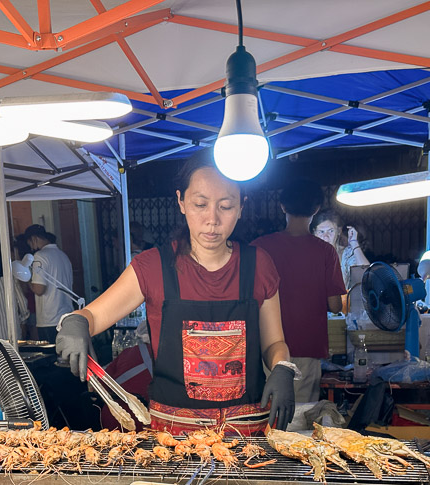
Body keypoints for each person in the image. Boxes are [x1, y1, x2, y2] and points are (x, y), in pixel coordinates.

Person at [55, 150, 297, 432]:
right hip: (173, 438)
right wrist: (76, 322)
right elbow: (92, 316)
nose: (212, 220)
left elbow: (273, 343)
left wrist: (282, 368)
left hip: (245, 436)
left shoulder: (259, 265)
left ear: (242, 206)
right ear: (181, 201)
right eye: (200, 204)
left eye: (226, 206)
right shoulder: (152, 266)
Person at [253, 179, 345, 403]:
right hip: (308, 347)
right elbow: (335, 305)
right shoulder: (326, 251)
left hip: (264, 349)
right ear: (316, 209)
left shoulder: (258, 247)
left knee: (266, 413)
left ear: (282, 206)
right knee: (301, 417)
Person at [25, 224, 74, 343]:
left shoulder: (40, 256)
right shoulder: (63, 255)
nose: (31, 248)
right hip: (66, 315)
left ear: (34, 239)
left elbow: (39, 289)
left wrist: (26, 279)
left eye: (30, 243)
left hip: (49, 318)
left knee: (50, 358)